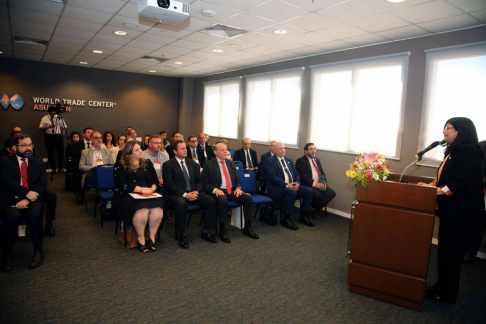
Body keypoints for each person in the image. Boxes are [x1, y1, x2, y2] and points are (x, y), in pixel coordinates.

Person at [417, 117, 484, 303]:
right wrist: (430, 186)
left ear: (460, 131)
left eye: (449, 128)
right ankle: (441, 287)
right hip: (451, 212)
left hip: (461, 213)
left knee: (452, 254)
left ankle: (447, 294)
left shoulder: (468, 151)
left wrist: (438, 191)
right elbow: (444, 177)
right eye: (444, 127)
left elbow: (459, 183)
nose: (444, 131)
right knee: (446, 252)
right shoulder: (453, 151)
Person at [0, 133, 47, 272]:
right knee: (12, 217)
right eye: (24, 145)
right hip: (12, 198)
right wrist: (25, 194)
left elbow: (42, 183)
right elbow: (7, 183)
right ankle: (7, 252)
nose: (28, 148)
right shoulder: (4, 162)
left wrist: (27, 199)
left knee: (34, 215)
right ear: (15, 147)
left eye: (30, 145)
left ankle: (38, 250)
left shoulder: (38, 163)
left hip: (33, 199)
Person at [163, 140, 218, 248]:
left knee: (210, 201)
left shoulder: (192, 163)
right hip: (177, 194)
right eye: (182, 148)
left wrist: (196, 191)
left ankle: (206, 231)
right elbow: (169, 184)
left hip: (193, 192)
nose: (185, 150)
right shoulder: (168, 165)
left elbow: (199, 181)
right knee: (181, 204)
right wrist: (184, 194)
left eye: (185, 148)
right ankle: (182, 235)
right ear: (175, 151)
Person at [201, 142, 259, 243]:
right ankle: (222, 230)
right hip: (218, 191)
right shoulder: (208, 164)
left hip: (231, 190)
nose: (225, 152)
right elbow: (205, 184)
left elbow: (237, 180)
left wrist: (238, 188)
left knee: (248, 198)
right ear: (215, 152)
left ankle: (247, 227)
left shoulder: (231, 163)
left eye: (226, 150)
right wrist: (215, 190)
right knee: (223, 200)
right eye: (222, 150)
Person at [113, 141, 163, 253]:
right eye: (137, 150)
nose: (141, 151)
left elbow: (154, 180)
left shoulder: (147, 163)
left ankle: (151, 237)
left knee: (157, 210)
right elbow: (122, 184)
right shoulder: (121, 165)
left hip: (148, 192)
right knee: (143, 211)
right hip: (128, 194)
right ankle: (141, 238)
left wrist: (152, 189)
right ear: (129, 153)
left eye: (140, 149)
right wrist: (141, 190)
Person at [266, 142, 314, 230]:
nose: (283, 150)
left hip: (291, 186)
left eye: (284, 148)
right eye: (280, 148)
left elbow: (296, 174)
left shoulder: (289, 160)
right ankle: (286, 219)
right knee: (291, 192)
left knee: (309, 191)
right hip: (277, 188)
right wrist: (287, 185)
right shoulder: (270, 161)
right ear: (275, 150)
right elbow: (273, 178)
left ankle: (303, 216)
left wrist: (297, 183)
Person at [296, 143, 336, 218]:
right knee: (318, 195)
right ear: (306, 151)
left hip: (319, 184)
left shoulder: (317, 160)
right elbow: (302, 176)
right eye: (311, 149)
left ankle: (315, 208)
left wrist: (324, 183)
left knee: (331, 193)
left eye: (314, 149)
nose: (313, 151)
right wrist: (314, 184)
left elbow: (322, 172)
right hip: (308, 184)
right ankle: (313, 209)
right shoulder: (301, 161)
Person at [464, 140, 486, 262]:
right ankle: (469, 251)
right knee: (475, 222)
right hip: (478, 191)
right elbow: (476, 169)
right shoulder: (481, 146)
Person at [78, 131, 114, 201]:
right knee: (102, 177)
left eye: (100, 138)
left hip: (105, 174)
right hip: (92, 174)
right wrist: (93, 168)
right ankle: (104, 200)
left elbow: (111, 165)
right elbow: (81, 166)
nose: (99, 140)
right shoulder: (85, 152)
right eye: (96, 138)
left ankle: (105, 200)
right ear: (91, 139)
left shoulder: (107, 151)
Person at [39, 105, 67, 173]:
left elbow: (64, 126)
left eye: (54, 112)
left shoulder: (59, 117)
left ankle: (60, 168)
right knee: (50, 153)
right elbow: (40, 127)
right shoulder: (44, 118)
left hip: (58, 136)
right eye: (51, 112)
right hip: (49, 136)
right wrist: (48, 126)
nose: (53, 113)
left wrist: (63, 133)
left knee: (61, 153)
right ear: (49, 112)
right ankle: (53, 168)